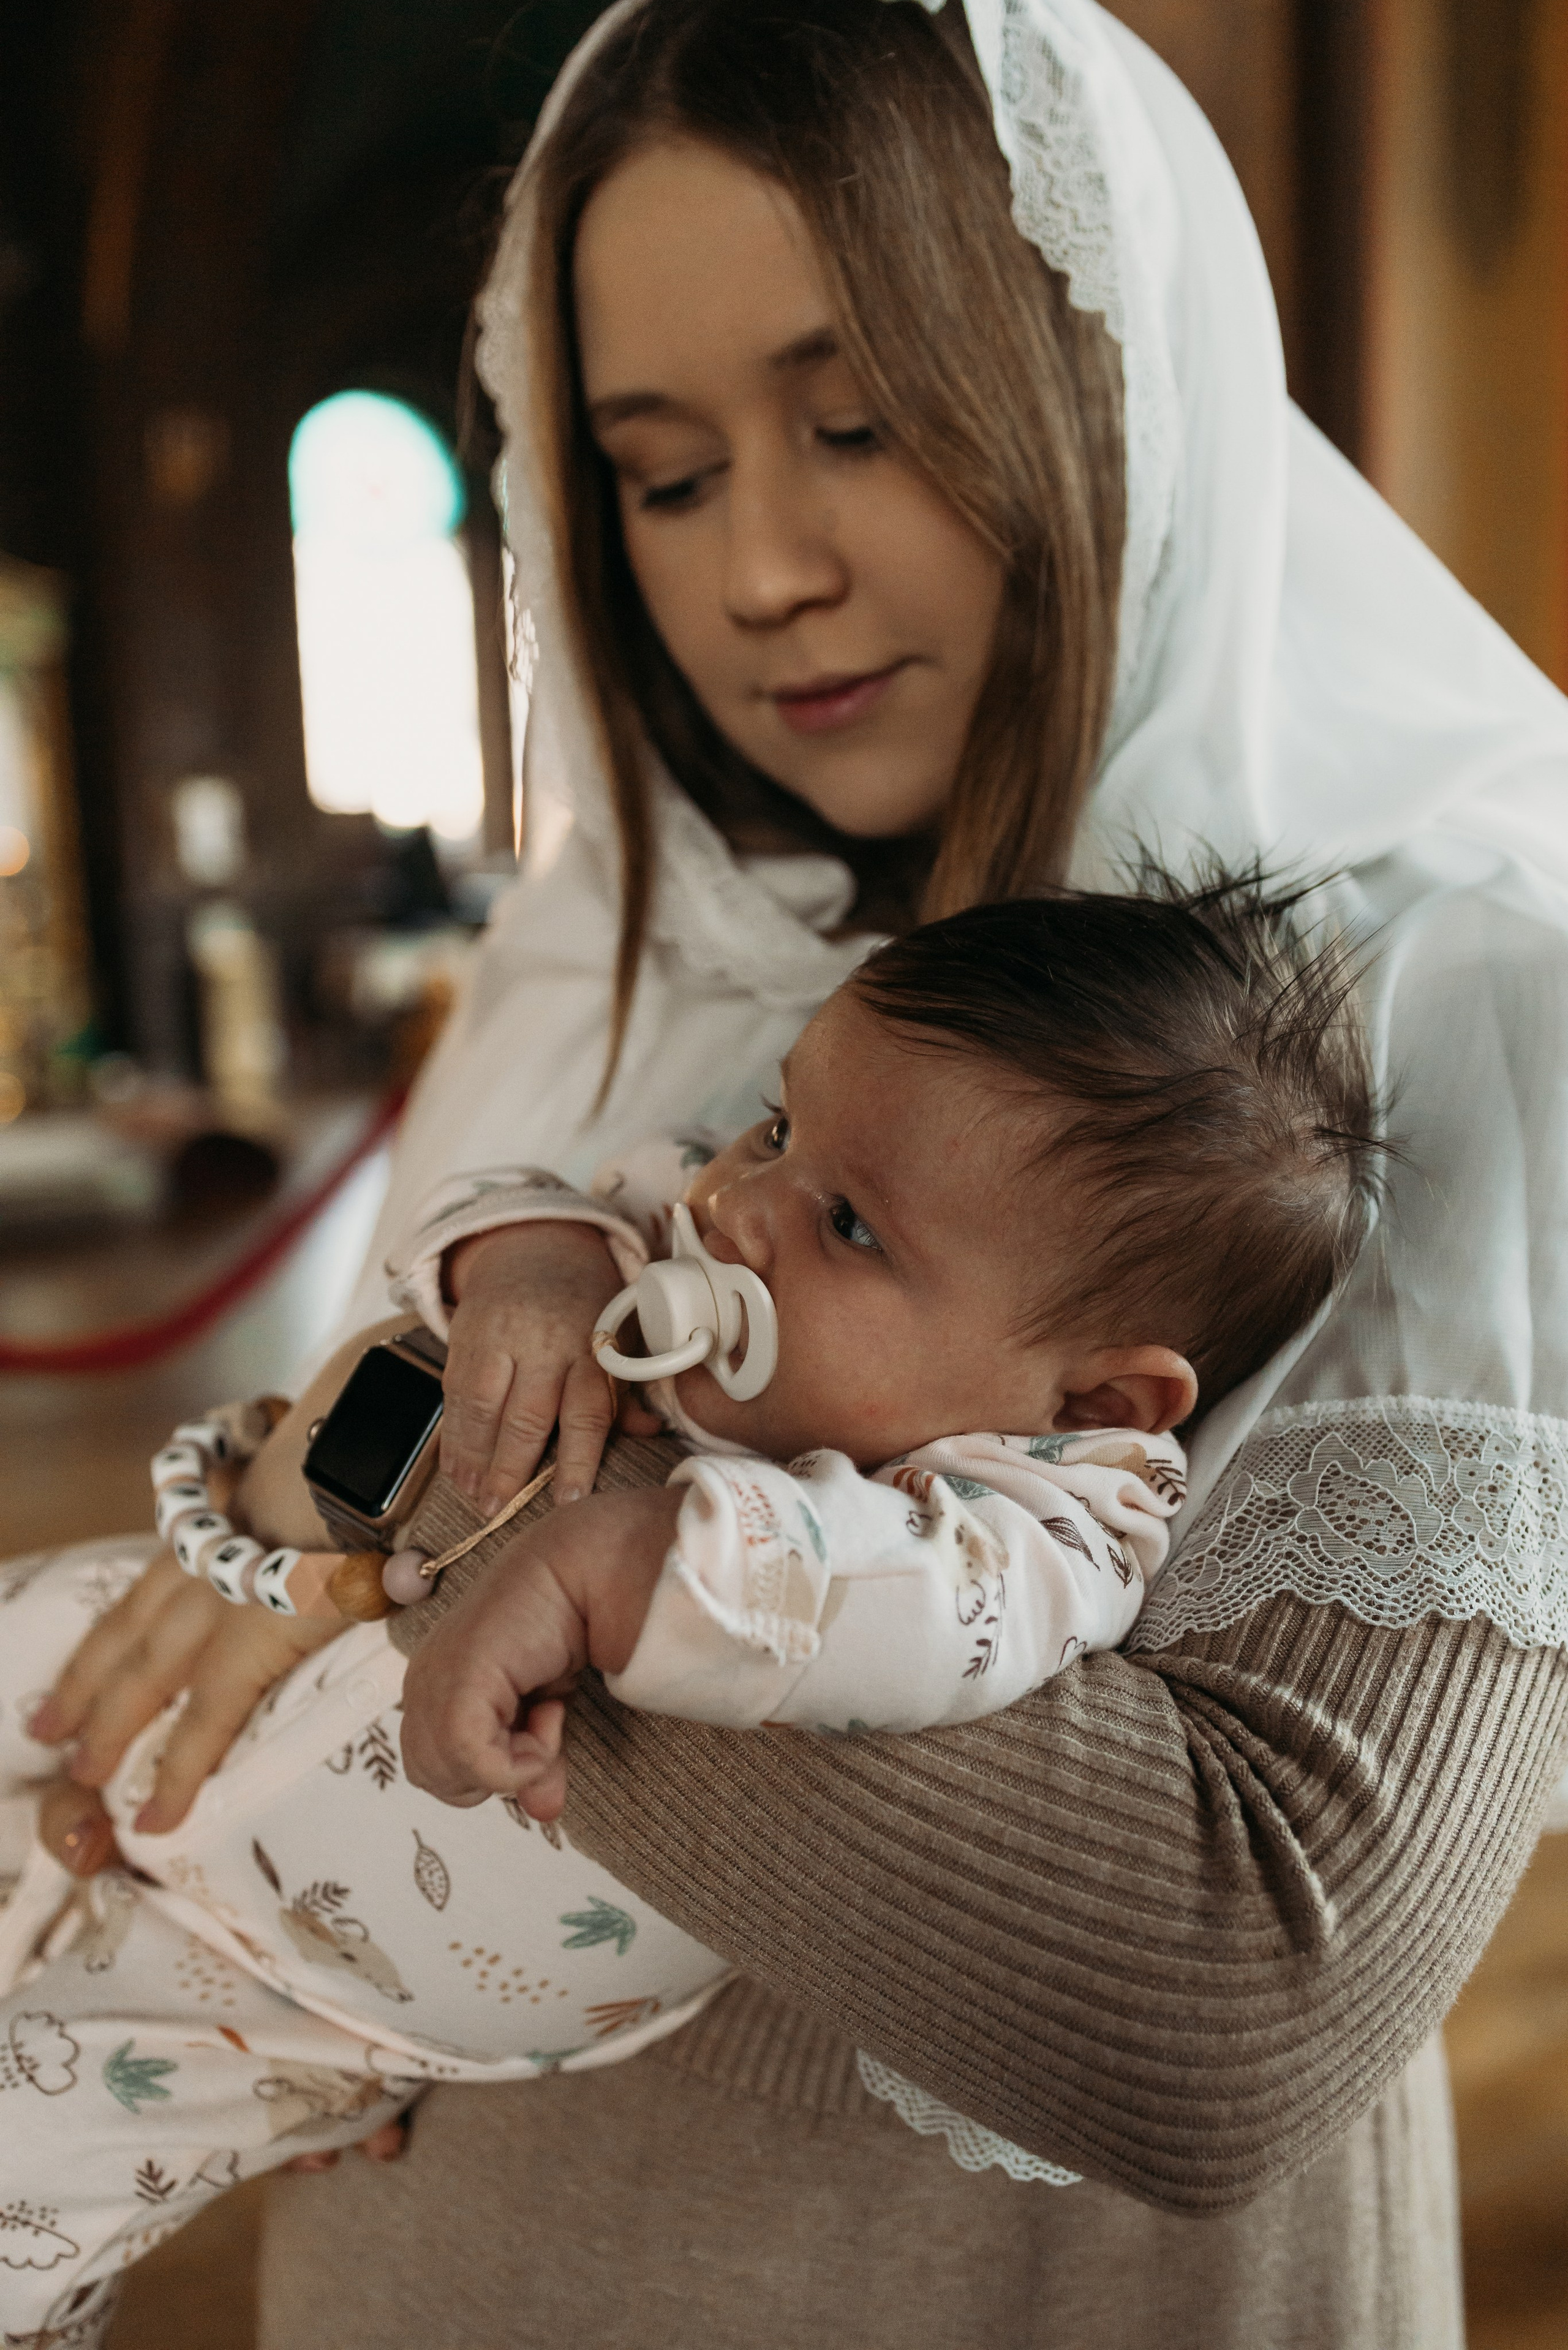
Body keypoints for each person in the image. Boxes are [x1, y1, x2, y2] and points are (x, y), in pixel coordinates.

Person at [10, 0, 1568, 2343]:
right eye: (660, 472)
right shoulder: (631, 932)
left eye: (858, 425)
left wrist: (447, 1522)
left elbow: (1225, 1990)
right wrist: (280, 1531)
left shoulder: (1453, 993)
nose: (759, 574)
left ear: (1103, 376)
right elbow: (353, 1442)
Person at [0, 874, 1382, 2337]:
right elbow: (520, 1193)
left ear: (1092, 1397)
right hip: (212, 1645)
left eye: (848, 1224)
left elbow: (916, 1612)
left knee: (37, 2163)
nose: (736, 1203)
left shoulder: (1043, 1520)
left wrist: (624, 1564)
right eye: (779, 1125)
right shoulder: (689, 1221)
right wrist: (528, 1262)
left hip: (309, 1987)